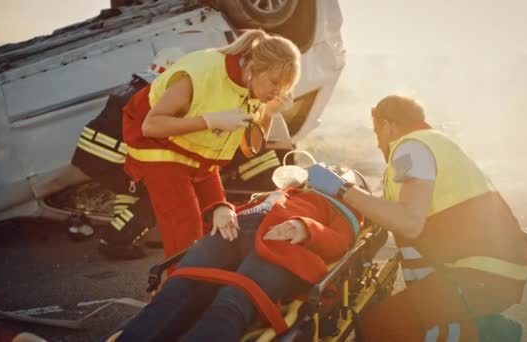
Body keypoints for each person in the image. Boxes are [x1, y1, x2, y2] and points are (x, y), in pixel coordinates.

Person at [307, 95, 527, 341]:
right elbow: (402, 212)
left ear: (388, 125)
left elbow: (409, 221)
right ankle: (485, 329)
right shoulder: (433, 143)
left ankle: (491, 334)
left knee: (380, 327)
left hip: (480, 273)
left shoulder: (410, 148)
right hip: (491, 269)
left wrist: (342, 190)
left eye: (377, 132)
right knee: (395, 322)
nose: (377, 143)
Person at [121, 29, 301, 268]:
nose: (276, 92)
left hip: (201, 161)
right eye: (274, 82)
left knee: (224, 224)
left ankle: (201, 281)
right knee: (185, 230)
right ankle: (173, 293)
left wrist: (268, 114)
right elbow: (151, 126)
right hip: (159, 148)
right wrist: (210, 121)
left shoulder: (254, 89)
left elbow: (251, 149)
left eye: (283, 87)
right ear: (254, 66)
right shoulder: (203, 71)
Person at [113, 182, 362, 342]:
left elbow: (339, 242)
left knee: (232, 302)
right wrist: (222, 209)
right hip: (232, 230)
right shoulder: (281, 191)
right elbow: (240, 207)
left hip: (281, 246)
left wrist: (307, 228)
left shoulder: (344, 209)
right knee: (176, 292)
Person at [70, 48, 183, 259]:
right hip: (108, 157)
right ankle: (115, 240)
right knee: (162, 195)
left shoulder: (133, 86)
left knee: (132, 189)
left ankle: (125, 235)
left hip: (93, 156)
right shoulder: (154, 94)